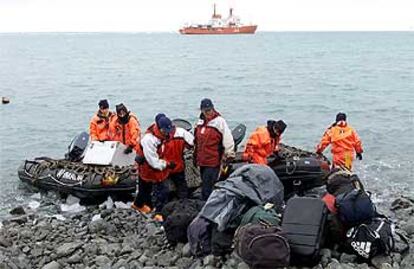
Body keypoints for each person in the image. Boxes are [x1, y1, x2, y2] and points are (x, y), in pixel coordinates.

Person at [132, 114, 176, 222]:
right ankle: (159, 213)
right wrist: (167, 164)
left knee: (144, 188)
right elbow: (154, 163)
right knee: (162, 190)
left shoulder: (162, 135)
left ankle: (138, 204)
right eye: (166, 131)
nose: (168, 133)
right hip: (150, 168)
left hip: (148, 166)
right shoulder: (149, 140)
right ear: (160, 129)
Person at [194, 98, 235, 200]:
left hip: (213, 161)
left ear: (213, 109)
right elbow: (195, 140)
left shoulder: (220, 122)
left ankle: (207, 206)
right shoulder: (200, 122)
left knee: (208, 186)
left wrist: (229, 154)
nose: (208, 113)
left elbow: (228, 139)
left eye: (209, 110)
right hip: (202, 161)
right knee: (204, 183)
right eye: (205, 111)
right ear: (202, 111)